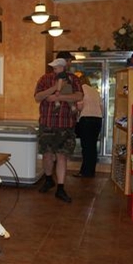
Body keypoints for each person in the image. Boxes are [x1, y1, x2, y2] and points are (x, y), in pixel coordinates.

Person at [34, 53, 83, 202]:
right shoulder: (44, 79)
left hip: (66, 124)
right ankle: (49, 179)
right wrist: (54, 88)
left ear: (64, 66)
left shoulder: (73, 79)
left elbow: (79, 96)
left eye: (59, 66)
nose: (57, 68)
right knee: (47, 154)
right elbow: (37, 97)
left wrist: (58, 97)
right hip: (47, 123)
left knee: (62, 156)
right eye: (55, 67)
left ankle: (61, 188)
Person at [74, 72, 103, 178]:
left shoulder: (80, 91)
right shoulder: (95, 91)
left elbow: (80, 107)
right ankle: (91, 171)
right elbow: (101, 107)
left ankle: (84, 172)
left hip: (86, 119)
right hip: (98, 120)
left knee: (86, 147)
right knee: (92, 146)